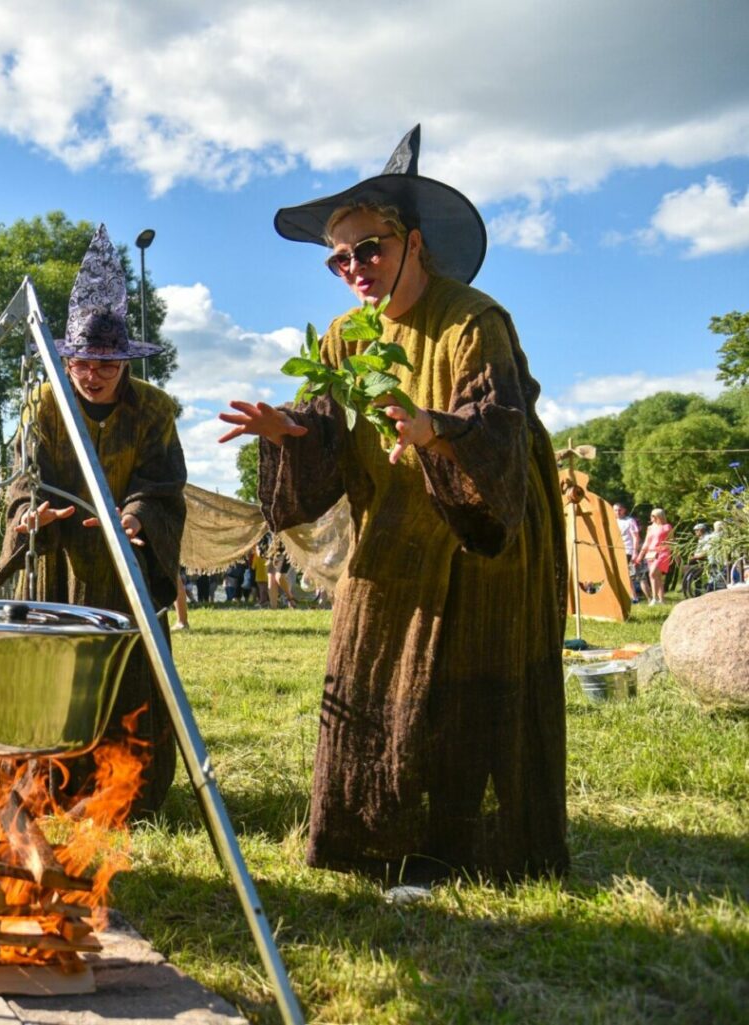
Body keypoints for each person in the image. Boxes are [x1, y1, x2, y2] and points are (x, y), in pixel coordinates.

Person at [220, 125, 568, 883]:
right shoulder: (347, 335)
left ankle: (470, 846)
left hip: (486, 528)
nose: (352, 269)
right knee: (371, 651)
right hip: (396, 518)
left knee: (469, 668)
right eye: (338, 258)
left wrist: (436, 427)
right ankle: (374, 833)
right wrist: (289, 429)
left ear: (411, 242)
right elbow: (328, 417)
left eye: (367, 250)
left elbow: (501, 425)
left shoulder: (474, 319)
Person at [0, 224, 185, 816]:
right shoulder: (43, 402)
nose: (91, 373)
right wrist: (29, 515)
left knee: (125, 679)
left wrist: (138, 517)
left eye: (105, 362)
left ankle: (125, 791)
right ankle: (50, 787)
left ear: (124, 362)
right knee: (56, 680)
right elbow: (22, 475)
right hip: (60, 564)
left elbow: (165, 484)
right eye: (80, 360)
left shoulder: (154, 410)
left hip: (126, 574)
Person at [636, 508, 673, 605]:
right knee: (657, 577)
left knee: (652, 574)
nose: (651, 517)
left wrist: (666, 549)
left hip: (663, 553)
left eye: (653, 515)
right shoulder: (650, 528)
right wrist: (640, 556)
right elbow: (646, 543)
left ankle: (654, 599)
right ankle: (661, 600)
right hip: (651, 553)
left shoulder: (667, 527)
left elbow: (671, 542)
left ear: (658, 516)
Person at [614, 503, 643, 601]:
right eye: (615, 510)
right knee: (619, 573)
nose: (617, 512)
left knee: (625, 573)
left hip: (627, 550)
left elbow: (636, 537)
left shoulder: (630, 521)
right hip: (615, 550)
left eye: (619, 510)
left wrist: (635, 552)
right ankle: (625, 595)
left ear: (624, 510)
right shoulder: (613, 521)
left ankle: (633, 596)